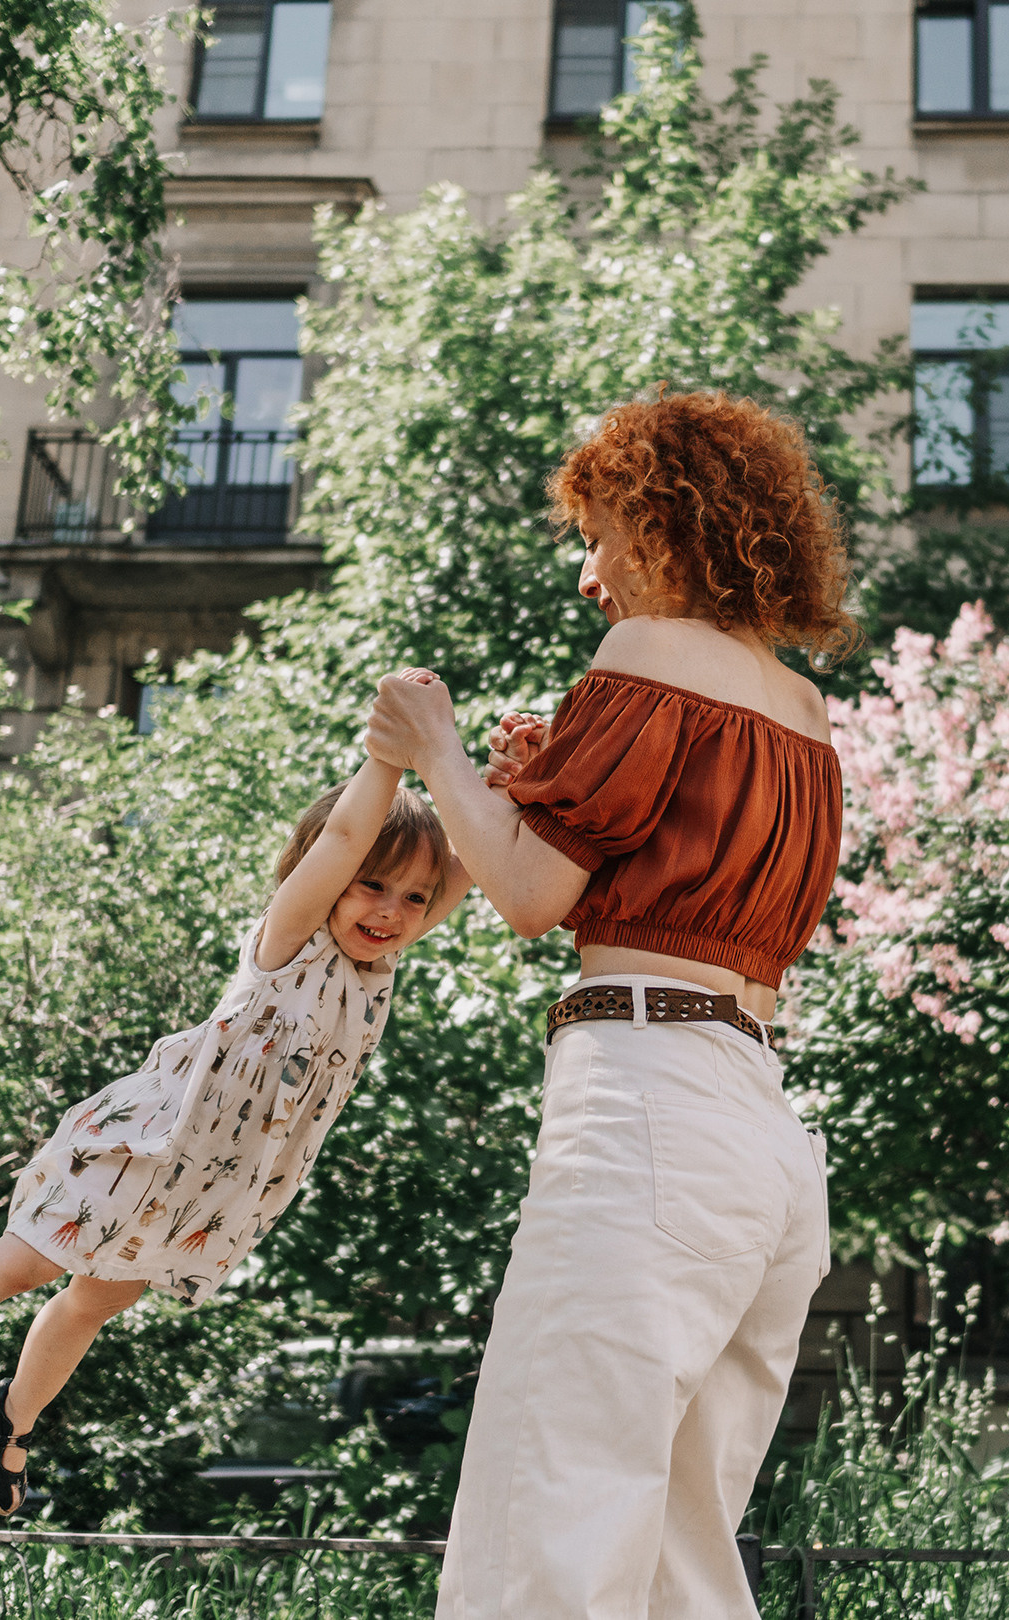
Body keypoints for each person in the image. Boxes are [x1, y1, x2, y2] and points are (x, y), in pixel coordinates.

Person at [364, 390, 854, 1620]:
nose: (588, 578)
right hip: (762, 1144)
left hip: (650, 1100)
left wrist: (438, 748)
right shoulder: (803, 712)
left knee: (553, 1516)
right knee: (682, 1563)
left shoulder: (648, 658)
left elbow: (530, 893)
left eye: (598, 534)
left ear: (663, 522)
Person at [0, 704, 470, 1516]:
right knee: (27, 1261)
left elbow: (464, 865)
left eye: (412, 899)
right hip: (150, 1144)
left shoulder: (382, 965)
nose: (391, 911)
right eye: (372, 885)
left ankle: (7, 1414)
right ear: (325, 876)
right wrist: (392, 755)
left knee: (100, 1297)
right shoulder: (291, 940)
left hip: (210, 1186)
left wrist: (496, 781)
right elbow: (338, 843)